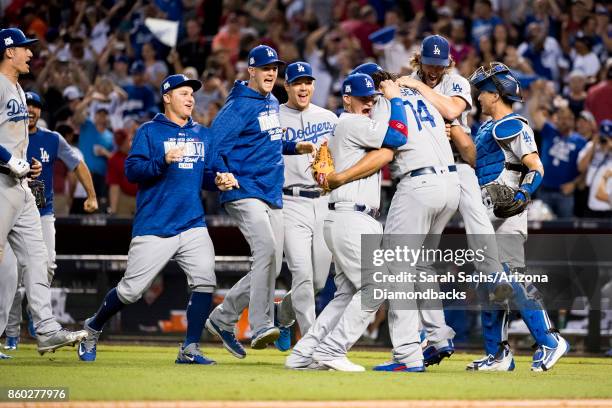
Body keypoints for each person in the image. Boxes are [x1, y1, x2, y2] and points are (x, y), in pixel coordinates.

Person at [77, 74, 237, 365]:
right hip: (155, 224)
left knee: (204, 280)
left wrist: (221, 179)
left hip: (192, 222)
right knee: (130, 291)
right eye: (184, 93)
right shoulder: (149, 131)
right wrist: (162, 161)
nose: (190, 98)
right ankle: (93, 326)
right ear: (167, 97)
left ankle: (190, 348)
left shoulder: (203, 133)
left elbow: (208, 174)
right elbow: (133, 171)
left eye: (192, 94)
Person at [390, 34, 504, 367]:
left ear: (449, 62)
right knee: (421, 261)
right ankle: (438, 336)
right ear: (419, 59)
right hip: (423, 165)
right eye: (429, 64)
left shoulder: (454, 81)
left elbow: (453, 109)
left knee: (482, 241)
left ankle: (498, 283)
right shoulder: (408, 81)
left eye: (440, 64)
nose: (435, 70)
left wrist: (416, 89)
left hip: (458, 163)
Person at [285, 72, 410, 371]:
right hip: (351, 216)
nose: (369, 102)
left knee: (346, 294)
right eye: (363, 98)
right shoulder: (351, 122)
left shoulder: (355, 123)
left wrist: (383, 94)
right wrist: (395, 98)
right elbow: (397, 137)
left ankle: (303, 353)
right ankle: (332, 349)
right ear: (346, 99)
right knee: (377, 286)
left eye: (372, 98)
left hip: (345, 216)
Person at [204, 45, 315, 358]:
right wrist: (222, 173)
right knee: (266, 250)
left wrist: (295, 147)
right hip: (244, 189)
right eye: (265, 68)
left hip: (271, 191)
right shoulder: (239, 104)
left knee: (272, 262)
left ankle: (223, 317)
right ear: (250, 70)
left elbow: (266, 141)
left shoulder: (269, 101)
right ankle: (261, 324)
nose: (271, 73)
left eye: (274, 68)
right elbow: (214, 148)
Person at [468, 62, 569, 371]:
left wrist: (522, 196)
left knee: (511, 278)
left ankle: (551, 340)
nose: (479, 98)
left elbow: (536, 167)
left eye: (482, 92)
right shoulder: (486, 127)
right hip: (486, 212)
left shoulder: (512, 124)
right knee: (490, 285)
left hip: (507, 213)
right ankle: (498, 355)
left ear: (496, 94)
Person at [0, 28, 88, 359]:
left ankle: (47, 329)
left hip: (19, 187)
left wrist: (28, 163)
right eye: (24, 48)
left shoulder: (20, 90)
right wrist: (10, 160)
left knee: (39, 259)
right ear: (9, 51)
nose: (30, 54)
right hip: (0, 184)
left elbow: (12, 140)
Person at [3, 91, 98, 351]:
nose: (32, 110)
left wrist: (91, 194)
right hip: (11, 210)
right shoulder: (9, 137)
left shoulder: (51, 139)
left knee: (45, 265)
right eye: (27, 106)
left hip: (41, 212)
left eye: (36, 107)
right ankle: (12, 333)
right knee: (9, 275)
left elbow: (77, 163)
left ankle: (38, 319)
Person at [274, 62, 338, 351]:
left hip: (323, 201)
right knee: (301, 273)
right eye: (297, 83)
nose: (303, 88)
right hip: (290, 201)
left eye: (308, 82)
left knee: (318, 283)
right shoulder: (273, 116)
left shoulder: (328, 117)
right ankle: (311, 343)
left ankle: (283, 315)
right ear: (286, 86)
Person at [530, 105, 587, 218]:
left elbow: (586, 170)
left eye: (566, 119)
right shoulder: (549, 131)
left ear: (572, 121)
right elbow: (534, 113)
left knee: (565, 231)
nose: (563, 122)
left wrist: (574, 184)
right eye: (560, 118)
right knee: (543, 229)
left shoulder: (581, 141)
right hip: (544, 190)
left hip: (565, 194)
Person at [577, 119, 612, 217]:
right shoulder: (591, 147)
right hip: (591, 200)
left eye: (609, 136)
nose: (605, 140)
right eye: (603, 137)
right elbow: (581, 168)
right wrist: (593, 147)